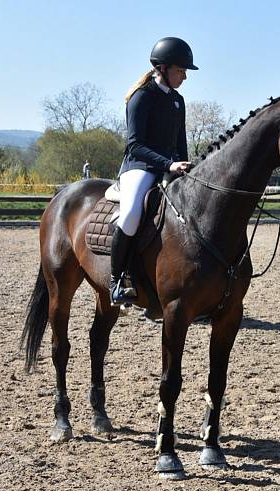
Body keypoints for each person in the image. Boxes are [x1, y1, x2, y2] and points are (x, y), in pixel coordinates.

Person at [104, 37, 197, 305]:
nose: (184, 77)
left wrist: (185, 166)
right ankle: (117, 279)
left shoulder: (178, 101)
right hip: (139, 167)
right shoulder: (141, 97)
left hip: (171, 167)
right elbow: (135, 145)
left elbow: (181, 144)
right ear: (164, 68)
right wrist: (168, 164)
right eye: (181, 71)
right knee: (132, 213)